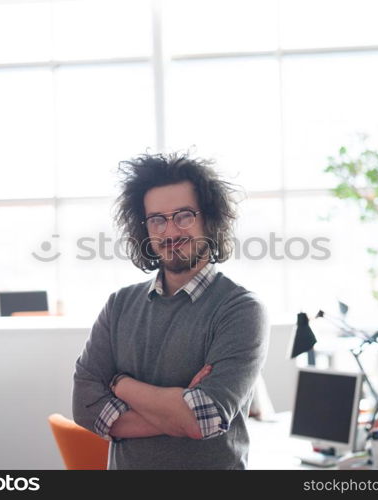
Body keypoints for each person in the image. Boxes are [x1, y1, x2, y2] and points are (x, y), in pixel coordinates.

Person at [72, 152, 270, 469]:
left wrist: (120, 384)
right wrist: (176, 412)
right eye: (157, 219)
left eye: (184, 215)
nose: (170, 231)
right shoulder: (119, 305)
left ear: (209, 219)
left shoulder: (241, 310)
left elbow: (200, 420)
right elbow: (84, 407)